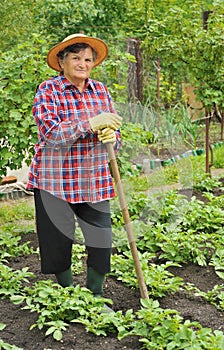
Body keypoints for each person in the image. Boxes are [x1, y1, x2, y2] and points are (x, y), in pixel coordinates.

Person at [27, 33, 122, 300]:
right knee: (57, 240)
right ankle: (68, 295)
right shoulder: (49, 90)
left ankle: (95, 295)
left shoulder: (100, 91)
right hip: (55, 180)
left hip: (94, 179)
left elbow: (114, 132)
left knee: (101, 239)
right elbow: (52, 135)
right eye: (76, 58)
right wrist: (90, 124)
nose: (83, 63)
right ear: (62, 61)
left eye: (88, 59)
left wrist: (112, 138)